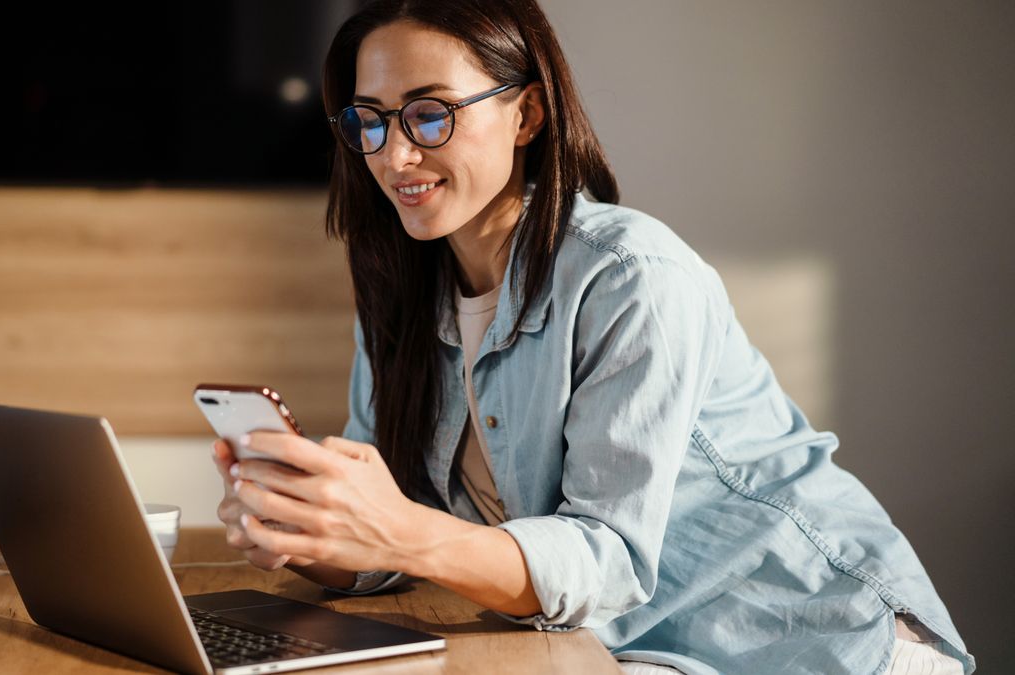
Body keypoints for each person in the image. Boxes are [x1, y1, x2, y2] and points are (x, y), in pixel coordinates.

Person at [210, 1, 974, 673]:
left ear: (527, 113)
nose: (394, 153)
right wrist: (314, 532)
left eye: (430, 113)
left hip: (823, 646)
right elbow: (396, 531)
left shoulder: (633, 276)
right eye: (368, 119)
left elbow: (604, 558)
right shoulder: (402, 296)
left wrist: (396, 529)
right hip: (629, 645)